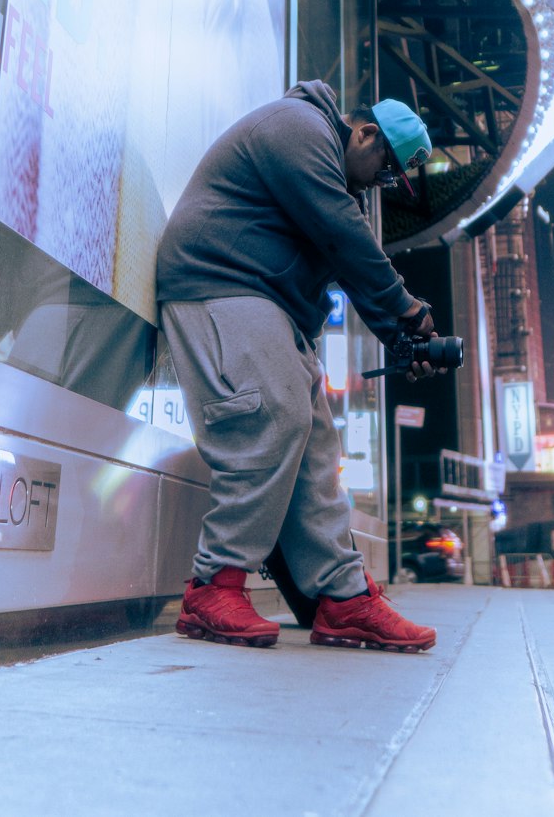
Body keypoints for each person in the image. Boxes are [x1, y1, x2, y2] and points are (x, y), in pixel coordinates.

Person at [155, 80, 440, 652]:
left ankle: (344, 598)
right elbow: (344, 237)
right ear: (363, 132)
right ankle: (214, 585)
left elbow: (345, 255)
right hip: (216, 282)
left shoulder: (328, 169)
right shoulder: (298, 127)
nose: (380, 184)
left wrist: (400, 337)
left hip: (265, 303)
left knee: (316, 451)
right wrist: (406, 309)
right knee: (274, 416)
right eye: (385, 168)